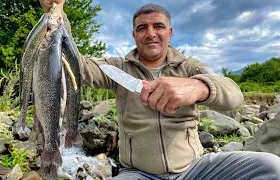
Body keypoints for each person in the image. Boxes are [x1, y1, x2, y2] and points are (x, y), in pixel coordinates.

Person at [40, 1, 280, 179]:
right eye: (142, 28)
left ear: (170, 32)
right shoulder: (116, 68)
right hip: (138, 173)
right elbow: (76, 66)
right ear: (134, 35)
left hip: (195, 169)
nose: (151, 33)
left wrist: (197, 86)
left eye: (158, 26)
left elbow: (233, 93)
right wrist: (58, 15)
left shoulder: (191, 66)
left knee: (271, 167)